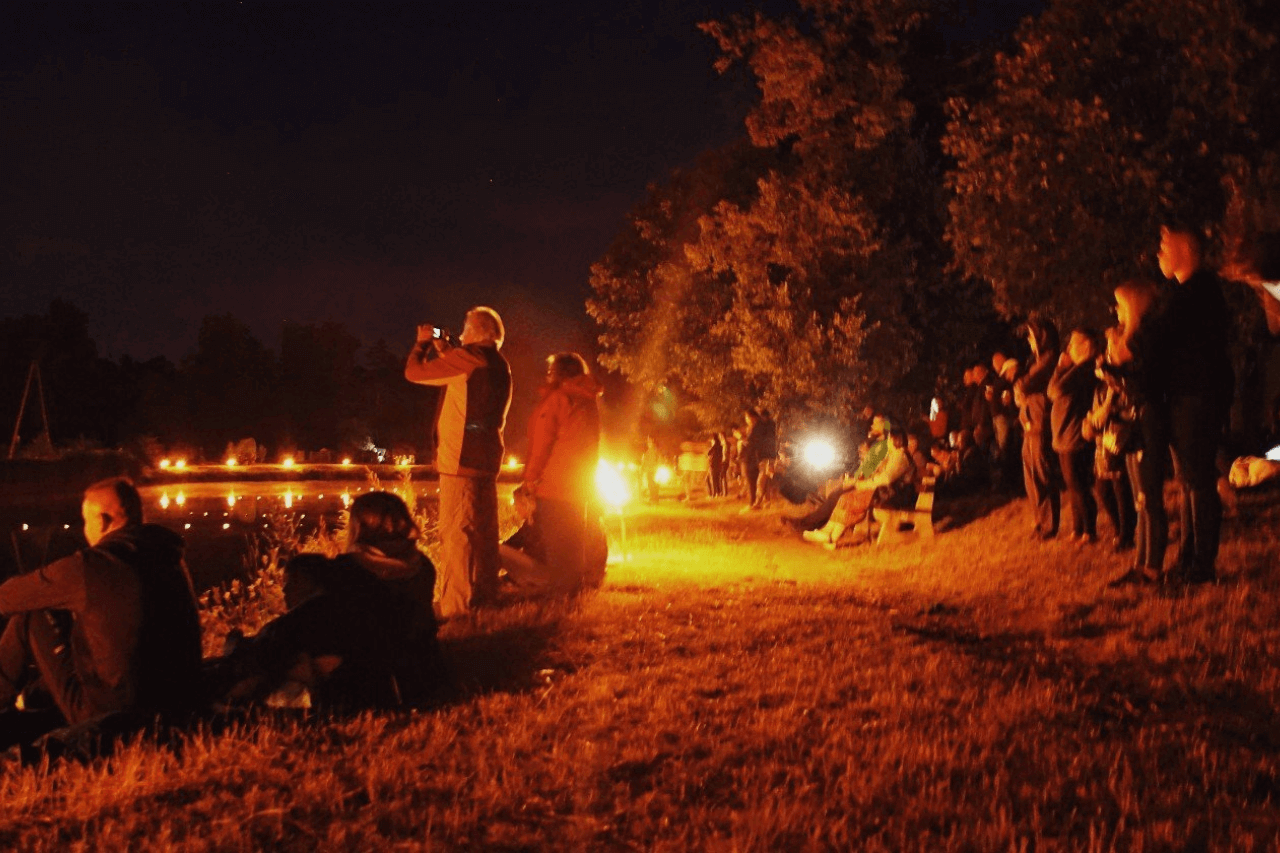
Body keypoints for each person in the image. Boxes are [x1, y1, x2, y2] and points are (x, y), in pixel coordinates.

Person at [0, 478, 203, 750]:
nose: (85, 531)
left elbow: (9, 597)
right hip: (177, 706)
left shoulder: (91, 566)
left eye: (86, 522)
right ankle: (32, 698)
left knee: (31, 614)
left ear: (104, 521)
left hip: (110, 717)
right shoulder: (169, 557)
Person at [405, 306, 512, 617]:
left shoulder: (468, 359)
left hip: (459, 461)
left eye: (465, 328)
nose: (461, 333)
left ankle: (456, 609)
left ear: (478, 332)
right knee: (485, 533)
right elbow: (466, 381)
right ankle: (487, 597)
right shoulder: (498, 363)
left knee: (457, 534)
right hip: (487, 459)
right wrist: (447, 350)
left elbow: (414, 372)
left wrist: (423, 343)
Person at [1151, 223, 1234, 583]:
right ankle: (1188, 557)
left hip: (1197, 396)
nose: (1158, 254)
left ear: (1185, 251)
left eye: (1164, 247)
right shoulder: (1184, 293)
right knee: (1188, 479)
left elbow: (1161, 337)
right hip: (1188, 395)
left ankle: (1202, 563)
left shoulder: (1197, 294)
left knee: (1198, 479)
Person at [509, 352, 607, 593]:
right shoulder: (586, 399)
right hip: (579, 485)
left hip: (554, 484)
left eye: (551, 370)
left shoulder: (559, 398)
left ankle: (561, 594)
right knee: (570, 544)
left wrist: (530, 481)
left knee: (556, 545)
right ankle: (571, 589)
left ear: (561, 373)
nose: (547, 374)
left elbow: (543, 444)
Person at [345, 491, 445, 705]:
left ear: (360, 526)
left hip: (372, 678)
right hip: (426, 669)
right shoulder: (422, 565)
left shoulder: (350, 568)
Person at [802, 427, 914, 548]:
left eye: (888, 439)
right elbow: (880, 474)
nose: (887, 442)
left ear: (894, 439)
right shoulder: (895, 455)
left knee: (850, 499)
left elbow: (885, 479)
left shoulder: (900, 456)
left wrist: (863, 484)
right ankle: (828, 533)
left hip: (890, 495)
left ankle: (831, 536)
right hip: (883, 491)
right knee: (846, 498)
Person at [1048, 328, 1100, 544]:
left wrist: (1060, 368)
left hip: (1074, 434)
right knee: (1071, 485)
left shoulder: (1084, 369)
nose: (1068, 348)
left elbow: (1055, 390)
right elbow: (1052, 390)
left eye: (1074, 343)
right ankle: (1078, 528)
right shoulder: (1076, 369)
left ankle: (1089, 530)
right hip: (1064, 433)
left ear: (1086, 346)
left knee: (1078, 484)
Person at [1015, 318, 1062, 540]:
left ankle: (1049, 523)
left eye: (1032, 336)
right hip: (1028, 422)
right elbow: (1019, 389)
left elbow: (1024, 385)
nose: (1029, 341)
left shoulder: (1049, 359)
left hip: (1039, 422)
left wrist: (1022, 389)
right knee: (1030, 475)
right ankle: (1039, 520)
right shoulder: (1034, 361)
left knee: (1042, 473)